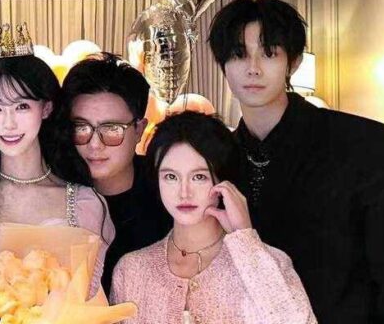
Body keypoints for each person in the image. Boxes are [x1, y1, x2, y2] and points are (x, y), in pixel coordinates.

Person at [209, 0, 384, 323]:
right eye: (239, 54)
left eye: (269, 53)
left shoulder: (364, 144)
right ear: (223, 63)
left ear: (293, 62)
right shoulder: (216, 157)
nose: (253, 68)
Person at [0, 25, 115, 288]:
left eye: (22, 106)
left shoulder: (84, 203)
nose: (9, 123)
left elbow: (88, 298)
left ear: (46, 108)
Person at [111, 111, 315, 323]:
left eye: (199, 177)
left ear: (224, 181)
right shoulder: (132, 270)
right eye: (171, 177)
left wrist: (245, 239)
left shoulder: (268, 263)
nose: (184, 192)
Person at [58, 53, 171, 294]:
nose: (95, 144)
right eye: (81, 128)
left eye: (111, 129)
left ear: (139, 130)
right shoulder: (53, 190)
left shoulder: (169, 193)